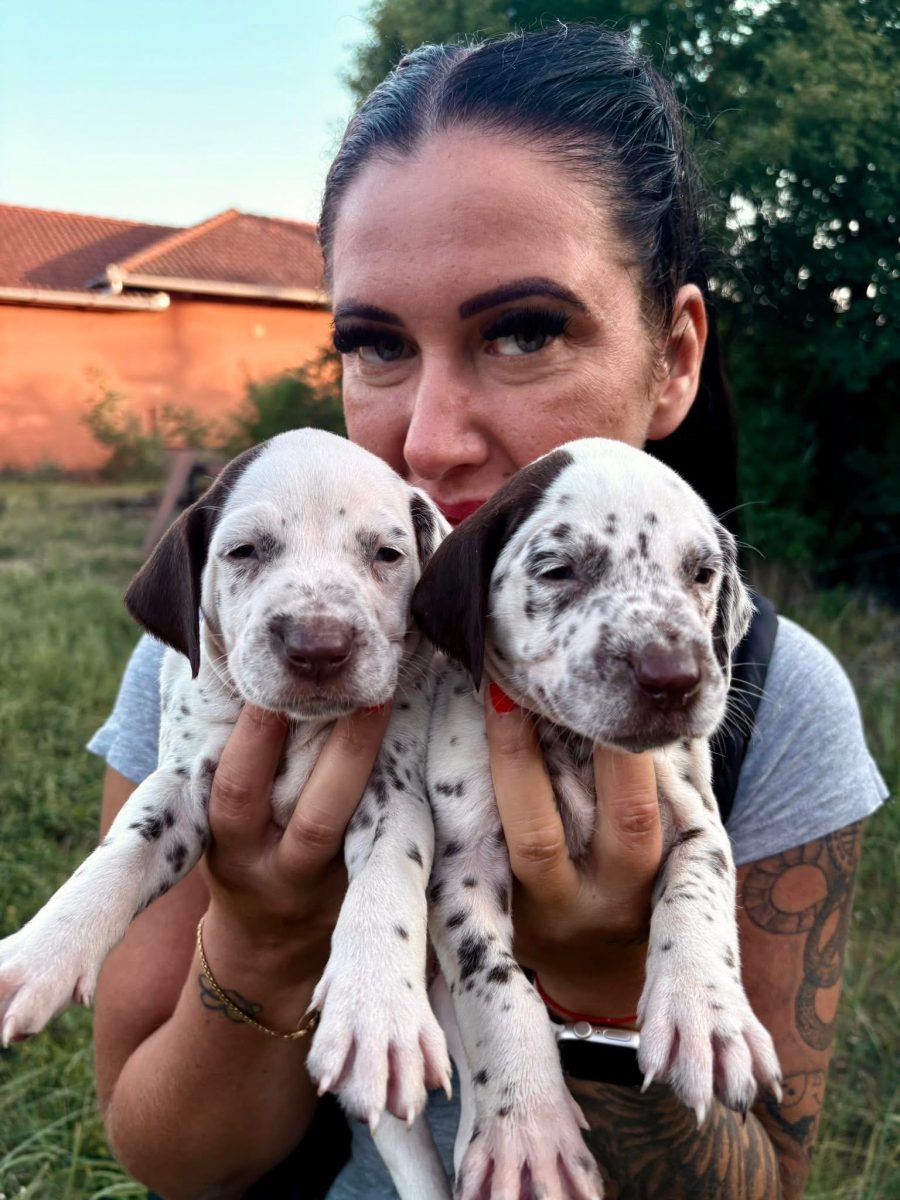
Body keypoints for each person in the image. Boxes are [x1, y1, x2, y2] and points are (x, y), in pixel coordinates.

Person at [88, 25, 887, 1200]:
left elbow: (765, 1180)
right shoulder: (237, 656)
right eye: (375, 345)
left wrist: (599, 989)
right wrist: (262, 943)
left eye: (524, 332)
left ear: (673, 358)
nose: (429, 440)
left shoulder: (767, 697)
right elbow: (162, 1154)